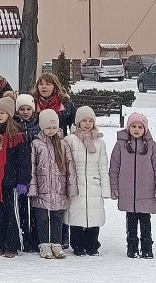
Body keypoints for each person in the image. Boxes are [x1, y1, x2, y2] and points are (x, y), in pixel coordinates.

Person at [110, 112, 156, 259]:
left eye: (140, 127)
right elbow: (114, 168)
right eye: (133, 126)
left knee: (145, 219)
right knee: (131, 220)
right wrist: (114, 187)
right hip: (127, 191)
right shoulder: (120, 146)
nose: (136, 129)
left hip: (146, 192)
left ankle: (147, 247)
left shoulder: (153, 147)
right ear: (128, 128)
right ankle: (132, 246)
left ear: (145, 129)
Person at [0, 97, 30, 259]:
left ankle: (12, 244)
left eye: (3, 112)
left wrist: (23, 181)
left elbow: (24, 161)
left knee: (11, 215)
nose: (0, 115)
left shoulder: (17, 135)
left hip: (11, 181)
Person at [28, 108, 78, 259]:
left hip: (59, 188)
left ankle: (56, 243)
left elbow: (70, 167)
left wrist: (71, 187)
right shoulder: (36, 144)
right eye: (48, 127)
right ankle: (44, 244)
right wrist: (33, 187)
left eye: (54, 127)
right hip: (43, 188)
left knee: (57, 217)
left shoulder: (63, 144)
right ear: (42, 127)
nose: (51, 130)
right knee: (43, 217)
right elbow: (32, 167)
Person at [64, 106, 111, 256]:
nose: (87, 123)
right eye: (84, 120)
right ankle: (77, 244)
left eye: (90, 120)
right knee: (76, 215)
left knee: (94, 216)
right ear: (78, 122)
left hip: (93, 184)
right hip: (76, 185)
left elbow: (103, 167)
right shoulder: (70, 140)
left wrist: (105, 188)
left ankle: (92, 244)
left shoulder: (99, 143)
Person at [14, 93, 41, 252]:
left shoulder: (37, 126)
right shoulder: (15, 126)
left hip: (36, 168)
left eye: (28, 109)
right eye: (22, 109)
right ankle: (24, 236)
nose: (25, 112)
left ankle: (35, 237)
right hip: (21, 170)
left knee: (35, 207)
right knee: (22, 207)